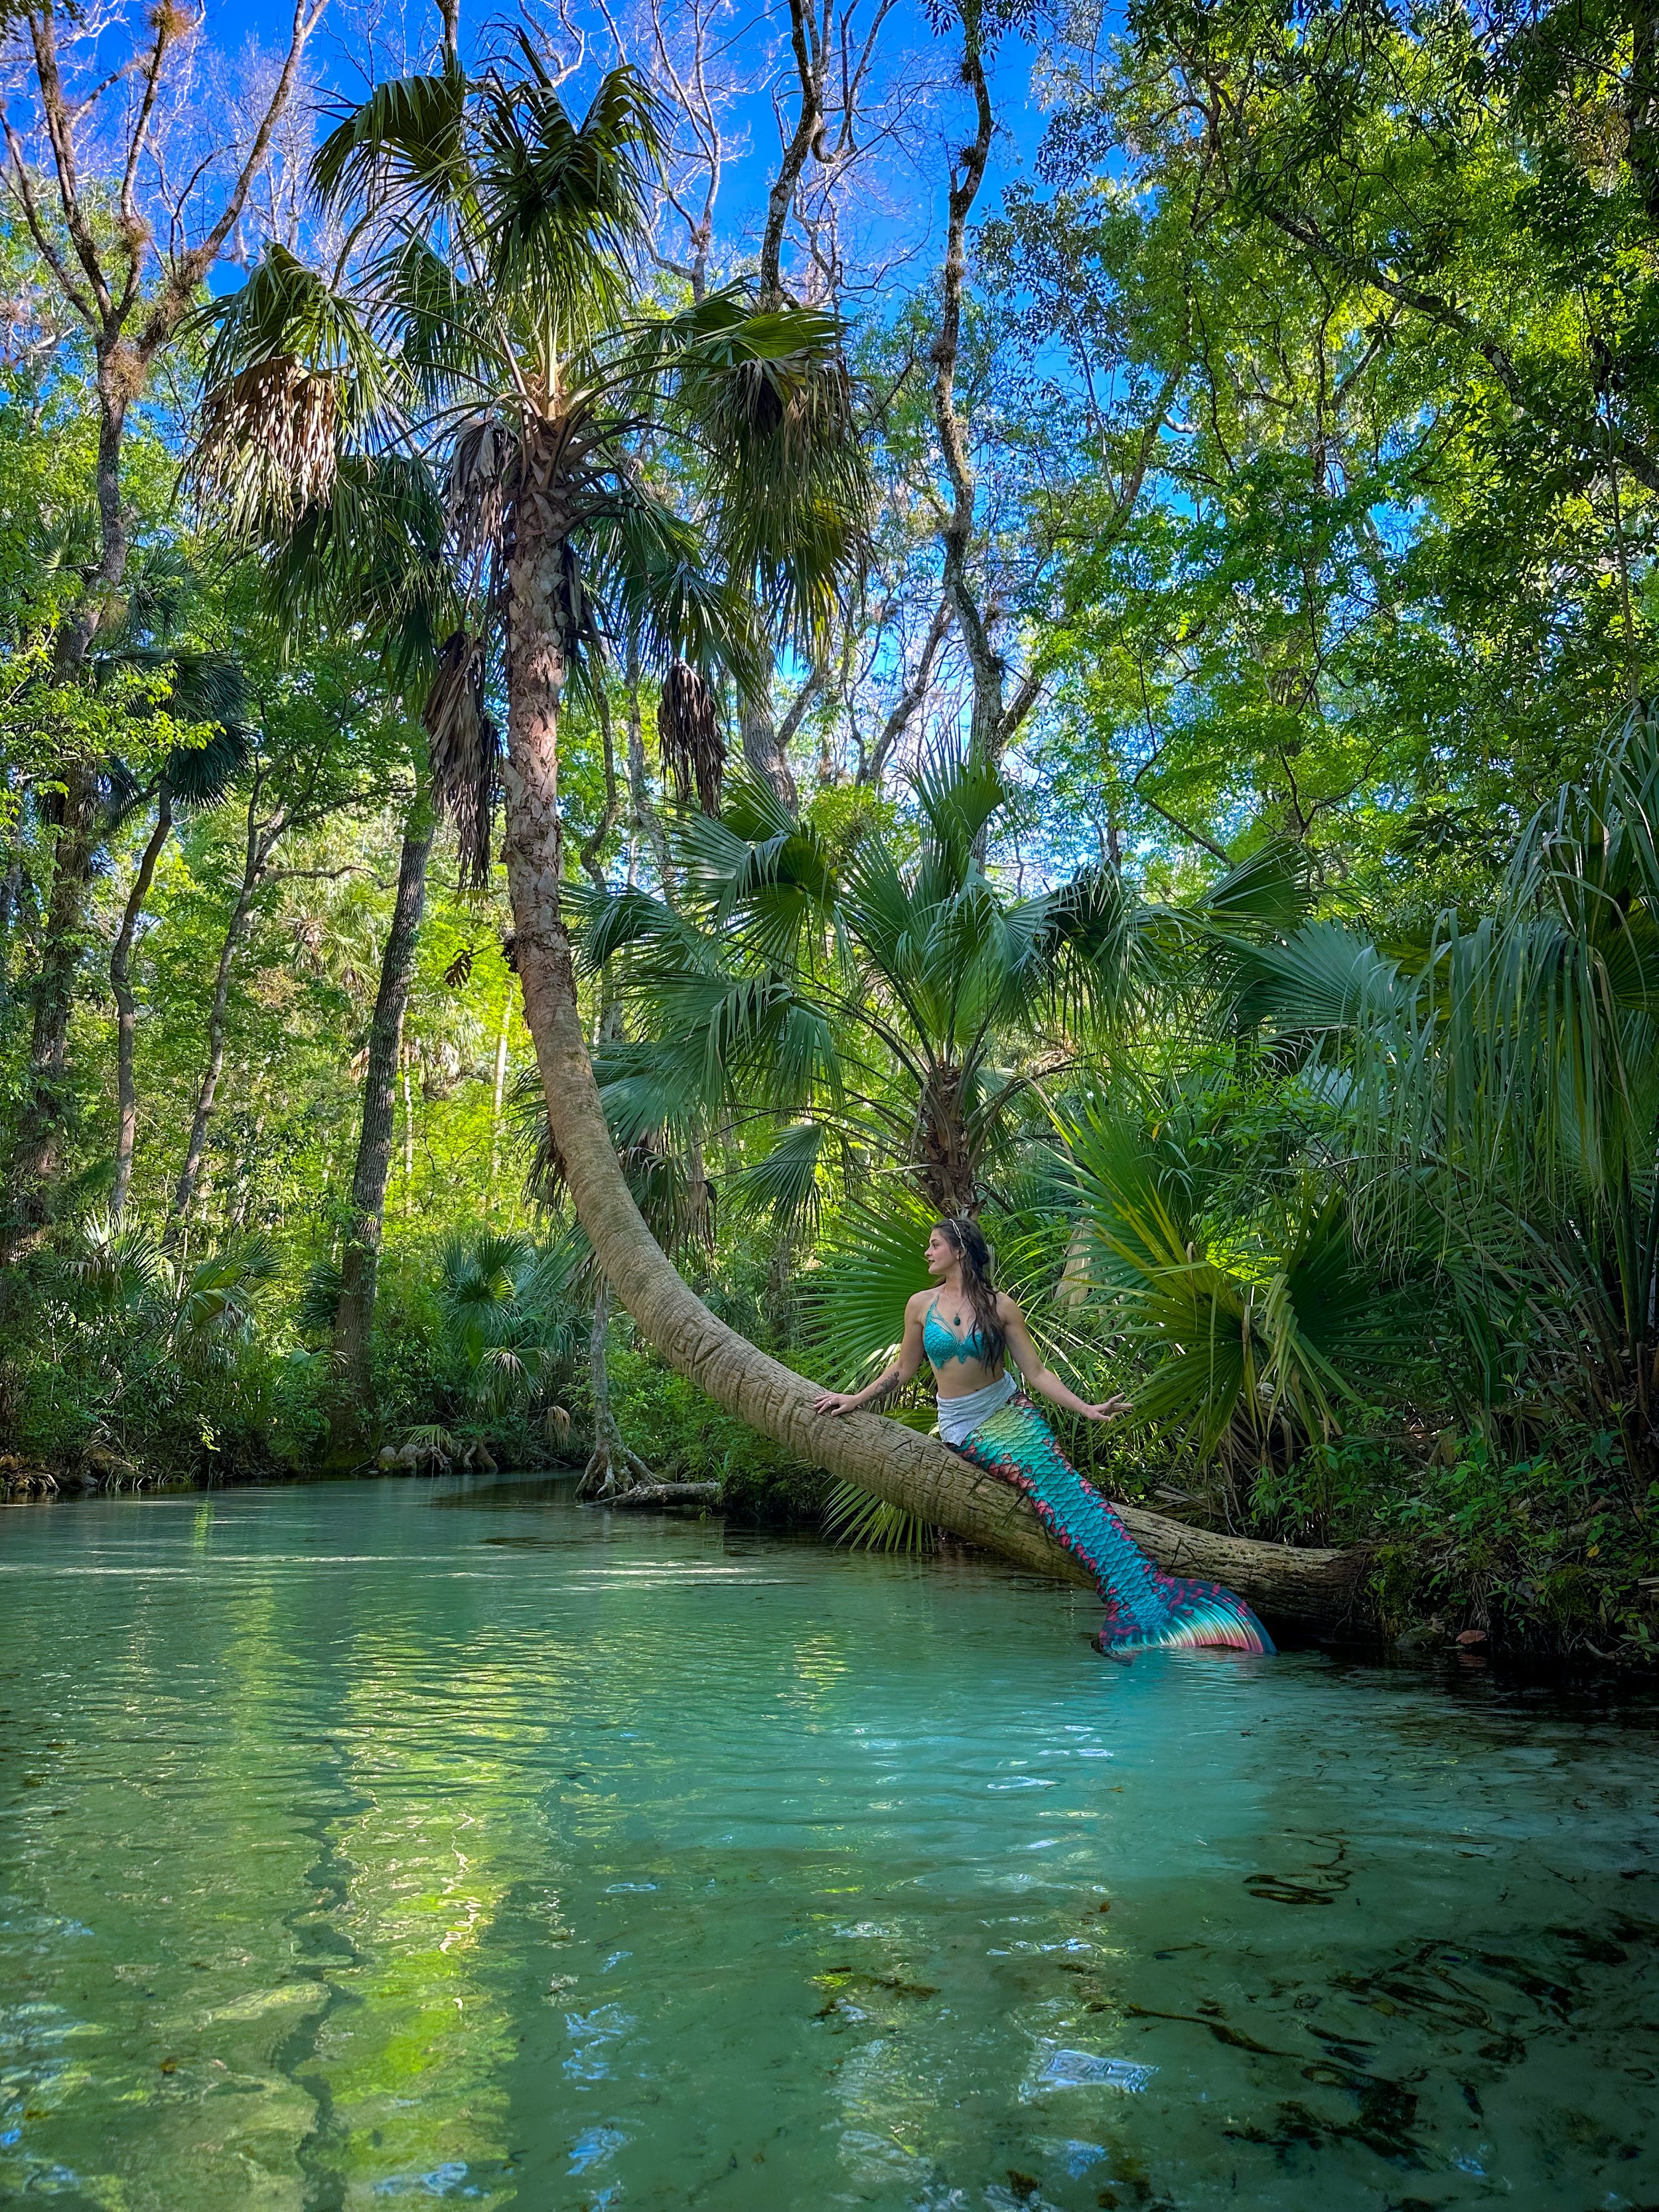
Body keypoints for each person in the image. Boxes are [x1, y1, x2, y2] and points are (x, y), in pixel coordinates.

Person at [814, 1215, 1273, 1657]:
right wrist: (855, 1398)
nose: (927, 1251)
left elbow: (1036, 1373)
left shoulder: (1001, 1305)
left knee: (1059, 1480)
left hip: (1008, 1408)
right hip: (962, 1423)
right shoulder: (919, 1305)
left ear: (959, 1250)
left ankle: (1141, 1594)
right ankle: (1140, 1599)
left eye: (935, 1244)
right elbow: (903, 1369)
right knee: (1039, 1476)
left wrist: (1088, 1408)